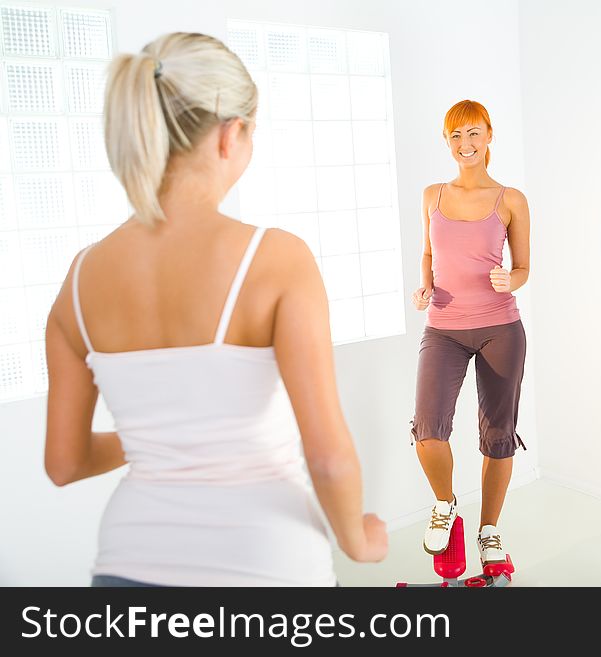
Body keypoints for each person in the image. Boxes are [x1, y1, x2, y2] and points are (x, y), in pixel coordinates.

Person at [43, 32, 387, 586]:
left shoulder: (81, 278)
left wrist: (162, 443)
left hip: (126, 568)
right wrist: (359, 541)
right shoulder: (275, 258)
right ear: (232, 135)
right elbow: (327, 455)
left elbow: (64, 463)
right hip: (267, 564)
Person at [410, 100, 530, 567]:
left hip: (501, 328)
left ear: (490, 136)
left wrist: (510, 280)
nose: (466, 145)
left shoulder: (511, 199)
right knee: (428, 429)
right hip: (443, 328)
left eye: (474, 134)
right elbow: (428, 253)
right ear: (447, 141)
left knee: (498, 435)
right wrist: (424, 283)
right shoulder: (432, 195)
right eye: (457, 136)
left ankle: (489, 531)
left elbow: (522, 267)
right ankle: (445, 505)